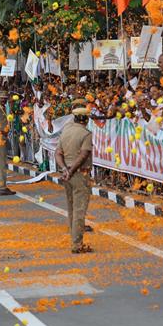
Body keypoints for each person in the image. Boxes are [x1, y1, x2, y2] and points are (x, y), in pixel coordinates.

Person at [55, 106, 94, 254]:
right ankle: (77, 244)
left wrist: (65, 169)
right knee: (79, 209)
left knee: (71, 207)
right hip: (79, 174)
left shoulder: (66, 131)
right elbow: (83, 155)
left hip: (67, 175)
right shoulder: (86, 134)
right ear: (86, 119)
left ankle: (74, 239)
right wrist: (71, 171)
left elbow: (58, 153)